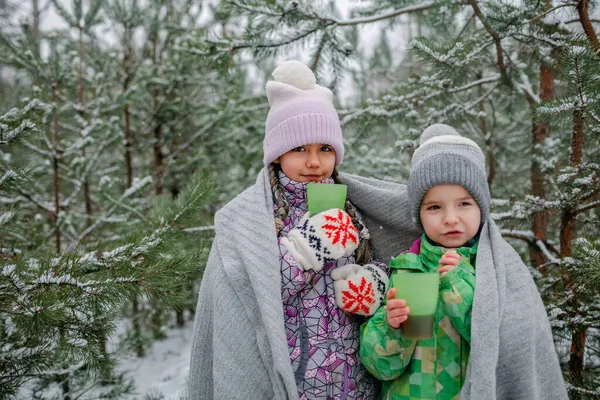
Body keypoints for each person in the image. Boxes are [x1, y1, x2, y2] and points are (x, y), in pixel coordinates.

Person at [188, 60, 420, 399]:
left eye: (324, 149)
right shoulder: (257, 217)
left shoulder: (350, 206)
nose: (314, 161)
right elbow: (251, 292)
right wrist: (309, 246)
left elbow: (381, 261)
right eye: (299, 149)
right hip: (293, 380)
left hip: (352, 378)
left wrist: (372, 284)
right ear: (277, 154)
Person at [359, 124, 568, 400]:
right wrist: (391, 328)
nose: (450, 218)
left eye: (464, 204)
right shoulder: (406, 268)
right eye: (434, 207)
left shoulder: (495, 269)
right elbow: (382, 369)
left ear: (481, 207)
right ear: (417, 214)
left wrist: (459, 282)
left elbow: (502, 346)